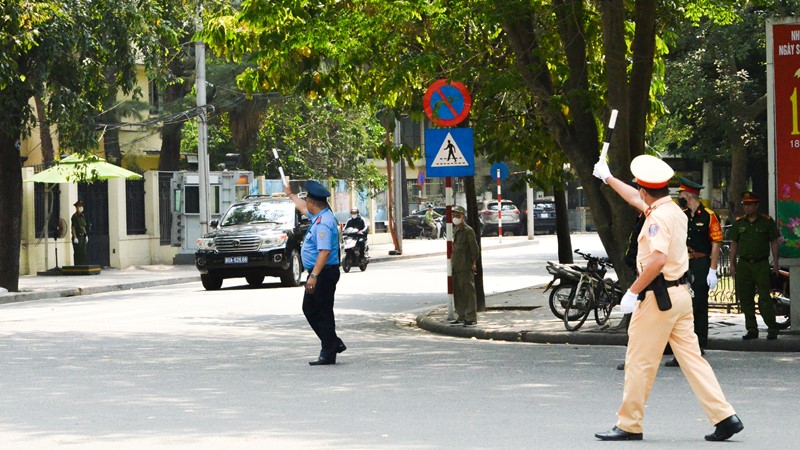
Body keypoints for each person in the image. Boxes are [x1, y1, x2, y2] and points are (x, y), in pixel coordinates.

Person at [593, 155, 742, 442]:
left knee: (639, 361)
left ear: (645, 191)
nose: (638, 195)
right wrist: (608, 178)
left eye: (640, 190)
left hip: (657, 298)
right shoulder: (672, 210)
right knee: (693, 361)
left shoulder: (657, 218)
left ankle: (629, 424)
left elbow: (657, 260)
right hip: (680, 296)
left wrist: (632, 291)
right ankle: (725, 417)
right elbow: (634, 198)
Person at [285, 180, 346, 365]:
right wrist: (290, 194)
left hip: (323, 273)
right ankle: (332, 342)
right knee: (312, 309)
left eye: (307, 201)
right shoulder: (320, 215)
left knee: (322, 311)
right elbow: (303, 208)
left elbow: (324, 252)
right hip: (321, 272)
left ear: (313, 203)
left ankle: (329, 350)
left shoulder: (323, 223)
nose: (306, 204)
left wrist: (313, 276)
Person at [665, 177, 723, 367]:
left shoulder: (708, 216)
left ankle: (696, 345)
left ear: (688, 195)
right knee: (681, 304)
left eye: (681, 194)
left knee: (697, 305)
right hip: (683, 264)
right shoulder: (681, 215)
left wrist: (712, 270)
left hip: (700, 264)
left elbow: (716, 243)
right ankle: (685, 346)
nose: (679, 197)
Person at [728, 191, 781, 340]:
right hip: (744, 264)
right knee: (746, 298)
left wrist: (776, 264)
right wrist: (732, 264)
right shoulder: (739, 223)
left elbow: (773, 243)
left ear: (757, 205)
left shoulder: (766, 222)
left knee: (764, 297)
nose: (747, 207)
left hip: (761, 264)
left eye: (750, 204)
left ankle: (772, 328)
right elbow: (734, 244)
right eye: (745, 204)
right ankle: (752, 329)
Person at [449, 206, 480, 326]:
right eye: (453, 215)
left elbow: (474, 248)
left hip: (465, 265)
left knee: (468, 292)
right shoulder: (456, 229)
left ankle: (471, 317)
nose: (455, 217)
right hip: (456, 265)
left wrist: (473, 262)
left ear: (462, 216)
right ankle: (461, 315)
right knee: (458, 292)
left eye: (457, 215)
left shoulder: (468, 230)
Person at [71, 199, 88, 265]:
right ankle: (77, 266)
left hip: (82, 237)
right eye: (79, 206)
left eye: (81, 206)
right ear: (76, 207)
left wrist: (85, 235)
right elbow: (73, 227)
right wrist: (75, 237)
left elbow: (83, 227)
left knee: (83, 253)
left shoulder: (82, 216)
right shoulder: (74, 217)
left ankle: (83, 266)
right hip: (77, 236)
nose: (81, 208)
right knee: (77, 253)